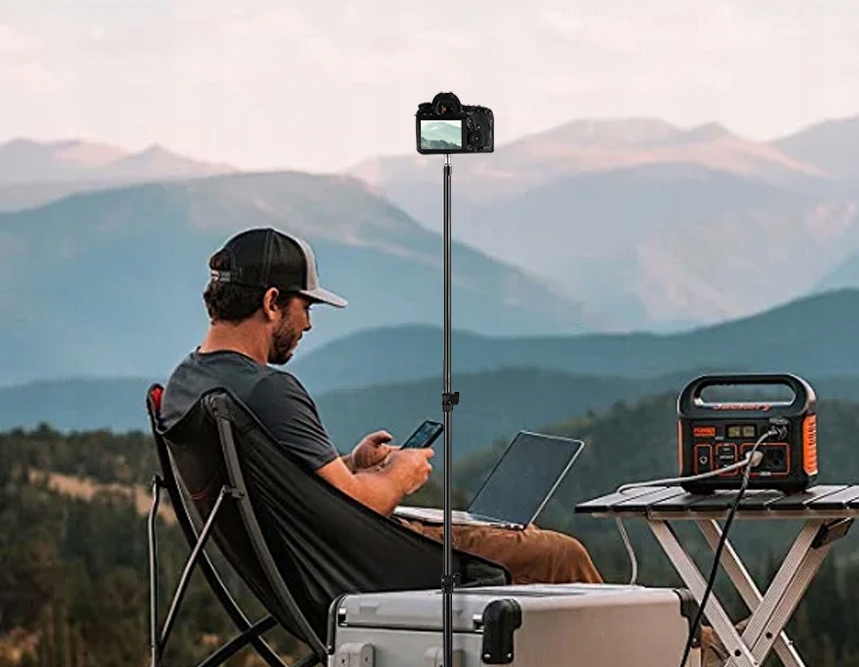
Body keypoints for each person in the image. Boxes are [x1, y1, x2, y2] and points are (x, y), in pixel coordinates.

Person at [162, 227, 602, 585]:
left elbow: (287, 485)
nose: (309, 324)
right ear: (272, 302)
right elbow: (356, 507)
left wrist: (352, 463)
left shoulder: (187, 383)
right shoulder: (267, 392)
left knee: (521, 538)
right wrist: (399, 475)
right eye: (305, 306)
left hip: (297, 571)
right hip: (361, 568)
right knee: (559, 555)